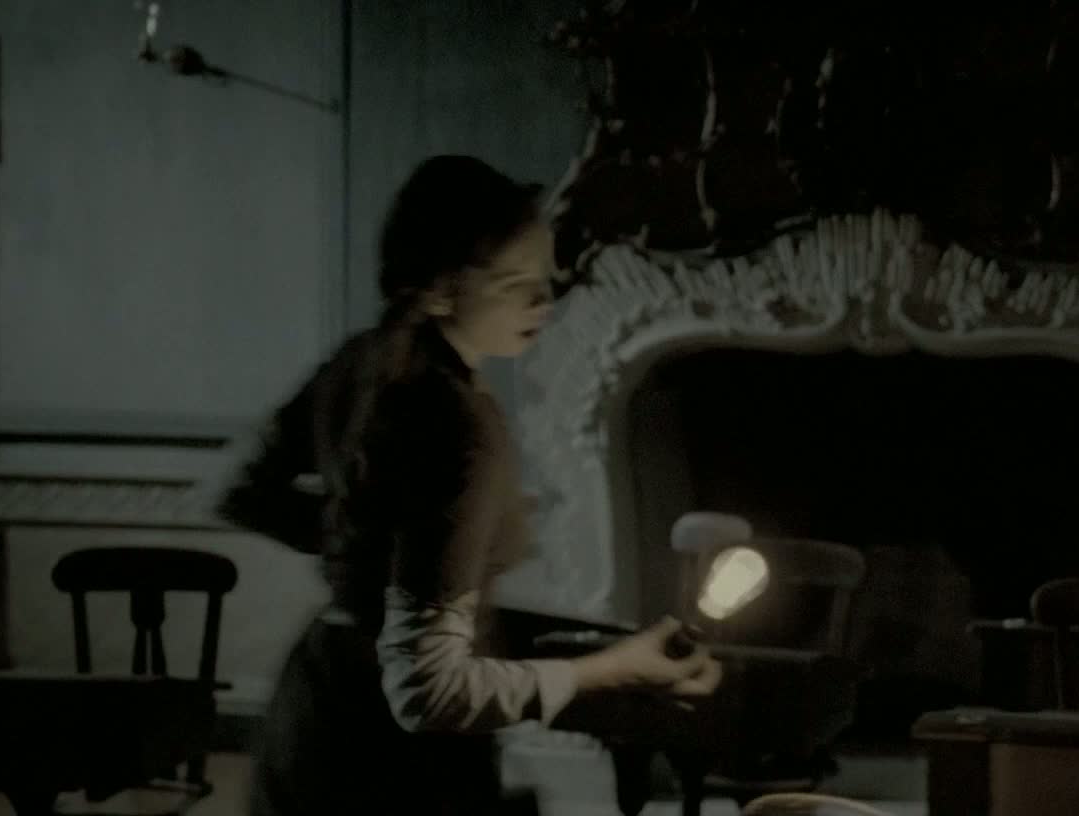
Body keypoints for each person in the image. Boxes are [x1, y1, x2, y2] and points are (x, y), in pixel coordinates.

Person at [219, 155, 722, 815]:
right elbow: (427, 691)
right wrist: (613, 669)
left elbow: (239, 489)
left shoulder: (361, 361)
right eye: (516, 284)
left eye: (546, 279)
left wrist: (368, 550)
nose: (544, 302)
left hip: (322, 704)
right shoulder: (457, 424)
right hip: (394, 767)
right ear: (438, 290)